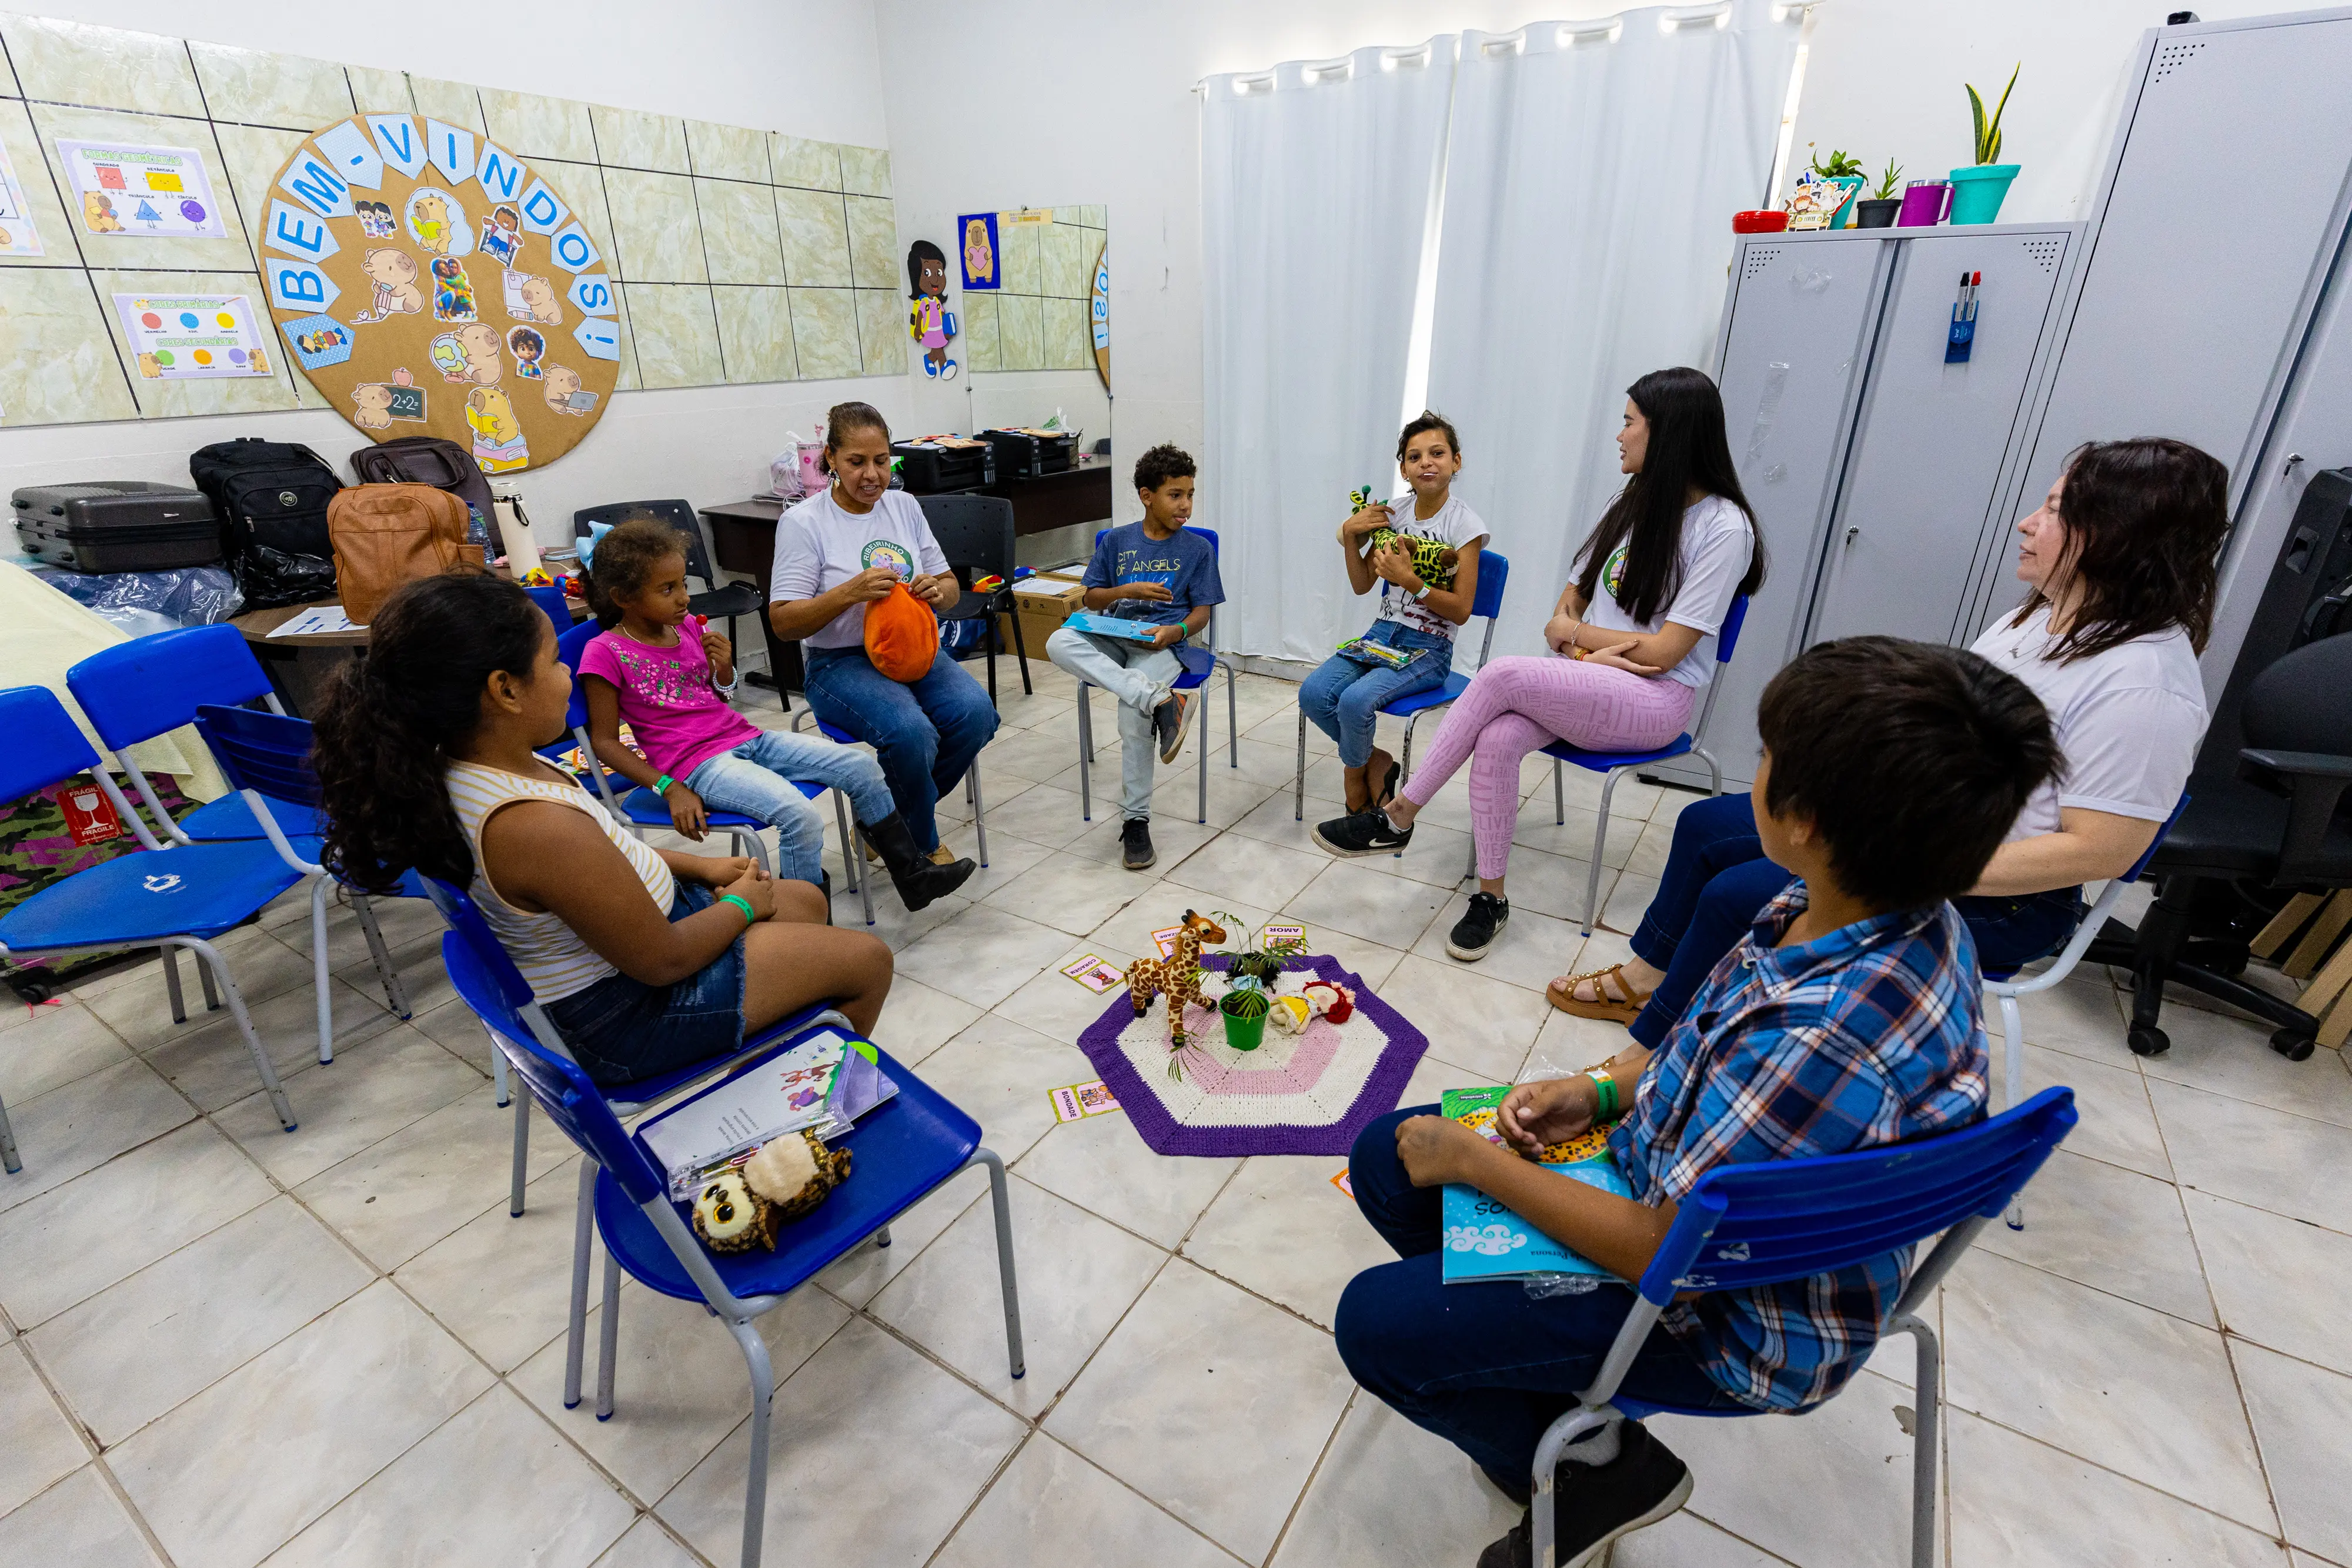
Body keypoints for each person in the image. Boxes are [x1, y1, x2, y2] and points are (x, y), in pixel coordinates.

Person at [1334, 637, 2058, 1568]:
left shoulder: (1824, 1035)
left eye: (1765, 757)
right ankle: (1542, 1381)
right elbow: (1707, 1040)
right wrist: (1597, 1087)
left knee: (1377, 1322)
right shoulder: (1873, 906)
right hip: (1682, 1186)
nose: (1751, 774)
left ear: (1804, 818)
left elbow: (1667, 1248)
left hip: (1727, 1320)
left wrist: (1480, 1163)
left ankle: (1590, 1470)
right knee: (1388, 1153)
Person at [1556, 436, 2223, 1038]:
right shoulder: (2039, 619)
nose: (2027, 522)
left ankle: (1668, 1044)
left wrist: (1904, 867)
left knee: (1738, 895)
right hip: (1914, 833)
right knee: (1705, 825)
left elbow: (2102, 849)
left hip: (1999, 894)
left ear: (2115, 534)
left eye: (2053, 510)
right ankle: (1652, 983)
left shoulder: (2144, 684)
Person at [313, 572, 893, 1088]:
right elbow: (661, 961)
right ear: (505, 689)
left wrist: (703, 867)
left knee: (801, 900)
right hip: (625, 1013)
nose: (568, 675)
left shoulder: (482, 762)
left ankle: (761, 1062)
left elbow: (605, 860)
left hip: (636, 944)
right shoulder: (530, 826)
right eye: (553, 663)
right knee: (866, 961)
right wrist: (739, 906)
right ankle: (795, 1109)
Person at [1315, 367, 1764, 964]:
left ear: (1671, 433)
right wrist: (1580, 647)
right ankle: (1491, 897)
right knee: (1498, 738)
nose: (1619, 436)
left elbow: (1663, 654)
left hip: (1655, 703)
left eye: (1629, 423)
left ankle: (1398, 815)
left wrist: (1573, 636)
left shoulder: (1724, 527)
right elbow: (1566, 604)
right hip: (1590, 680)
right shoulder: (1630, 504)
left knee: (1500, 674)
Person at [577, 516, 975, 912]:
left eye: (683, 583)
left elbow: (717, 699)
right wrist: (669, 787)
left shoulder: (687, 630)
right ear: (624, 597)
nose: (683, 597)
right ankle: (805, 929)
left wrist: (724, 670)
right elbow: (605, 743)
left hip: (746, 738)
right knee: (799, 817)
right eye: (667, 589)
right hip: (695, 765)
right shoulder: (605, 652)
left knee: (861, 768)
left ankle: (913, 877)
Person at [768, 402, 1000, 863]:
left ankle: (883, 821)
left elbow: (951, 587)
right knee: (912, 732)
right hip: (840, 662)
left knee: (976, 715)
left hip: (914, 650)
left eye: (881, 461)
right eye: (856, 462)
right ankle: (920, 847)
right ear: (830, 458)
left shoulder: (904, 506)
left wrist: (938, 589)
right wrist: (847, 594)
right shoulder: (804, 523)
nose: (872, 475)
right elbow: (782, 621)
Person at [1044, 444, 1225, 870]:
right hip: (1115, 632)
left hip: (1163, 643)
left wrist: (1175, 631)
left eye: (1191, 494)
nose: (1186, 505)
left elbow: (1202, 613)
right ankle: (1161, 700)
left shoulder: (1197, 549)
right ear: (1147, 496)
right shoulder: (1117, 541)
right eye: (1175, 495)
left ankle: (1136, 818)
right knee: (1058, 641)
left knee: (1130, 715)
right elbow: (1090, 597)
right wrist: (1128, 591)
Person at [1299, 411, 1489, 813]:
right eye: (1415, 456)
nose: (1427, 462)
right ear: (1403, 468)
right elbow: (1362, 583)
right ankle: (1376, 761)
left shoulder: (1466, 525)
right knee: (1313, 693)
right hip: (1381, 635)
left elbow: (1461, 611)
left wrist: (1412, 581)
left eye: (1437, 453)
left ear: (1457, 461)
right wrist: (1352, 535)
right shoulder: (1394, 514)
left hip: (1430, 648)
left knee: (1354, 702)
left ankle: (1354, 785)